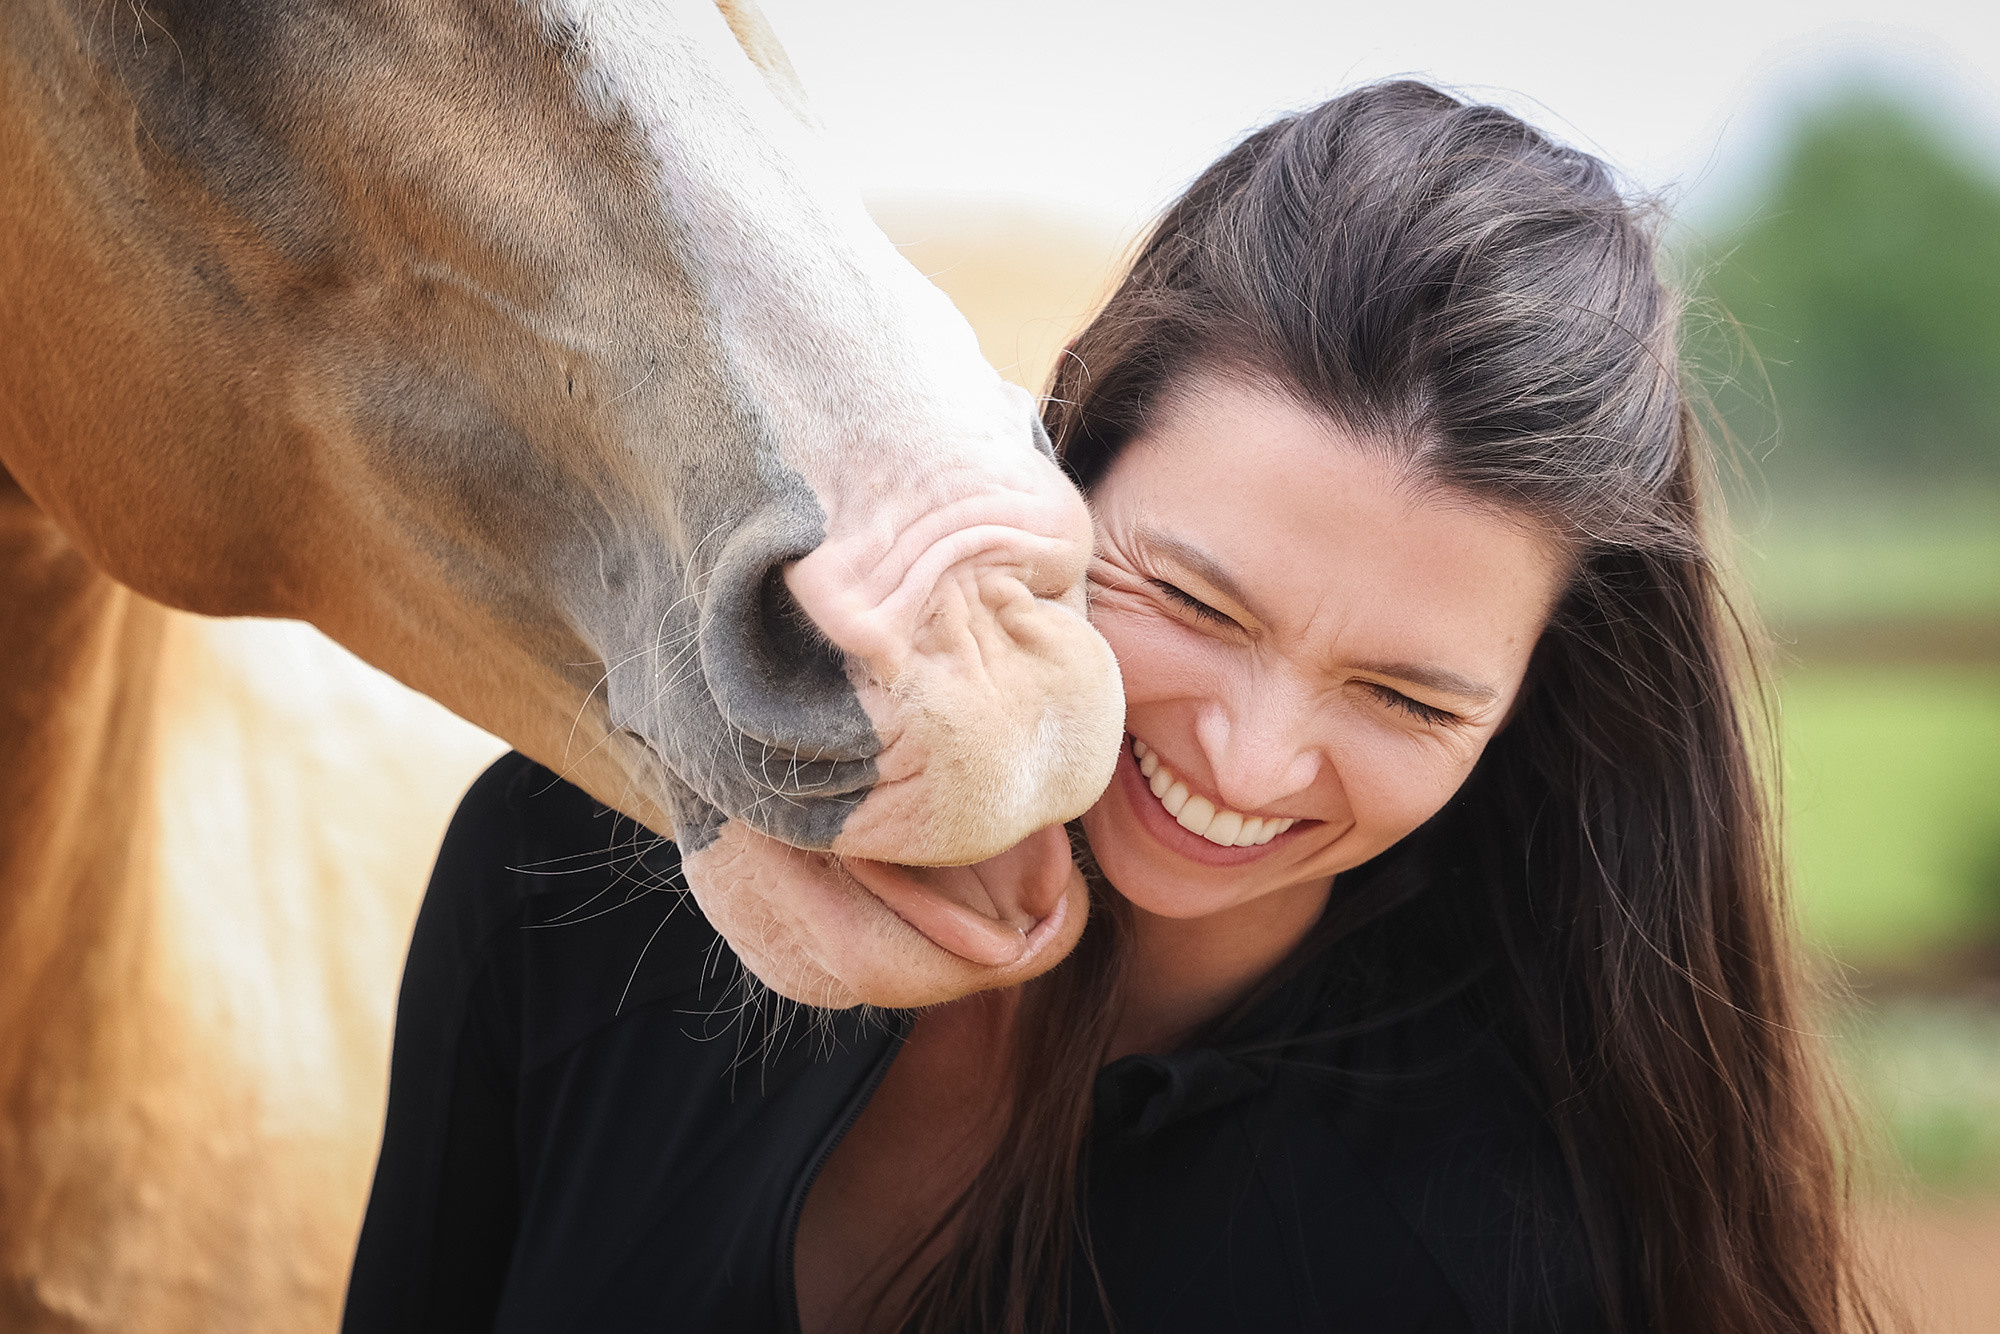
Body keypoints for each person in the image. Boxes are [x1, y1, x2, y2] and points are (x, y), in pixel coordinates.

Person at [343, 82, 1881, 1334]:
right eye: (1201, 605)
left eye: (1408, 697)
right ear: (1070, 456)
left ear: (1536, 704)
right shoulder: (584, 874)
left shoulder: (1518, 1245)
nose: (1250, 754)